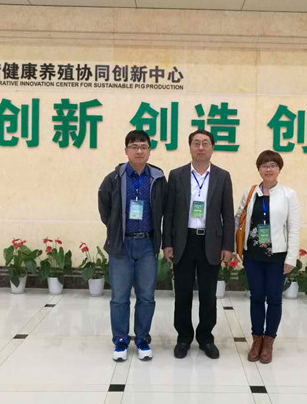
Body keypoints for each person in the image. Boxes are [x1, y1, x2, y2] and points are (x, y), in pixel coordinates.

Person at [163, 129, 234, 360]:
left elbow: (227, 214)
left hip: (211, 242)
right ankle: (183, 338)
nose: (201, 147)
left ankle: (205, 338)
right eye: (196, 143)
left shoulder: (223, 176)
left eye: (205, 143)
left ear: (212, 147)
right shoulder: (177, 175)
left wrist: (227, 246)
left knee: (208, 294)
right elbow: (169, 212)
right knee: (182, 293)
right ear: (190, 147)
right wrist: (167, 242)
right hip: (183, 241)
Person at [98, 130, 167, 362]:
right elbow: (104, 208)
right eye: (134, 146)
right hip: (122, 245)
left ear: (149, 150)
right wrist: (116, 228)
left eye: (143, 147)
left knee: (146, 296)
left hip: (147, 244)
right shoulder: (114, 178)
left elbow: (165, 208)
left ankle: (142, 339)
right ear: (126, 150)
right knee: (119, 297)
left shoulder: (157, 178)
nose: (139, 151)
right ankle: (120, 339)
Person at [234, 150, 300, 364]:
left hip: (277, 256)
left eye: (273, 165)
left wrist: (291, 258)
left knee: (274, 298)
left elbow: (294, 228)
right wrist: (234, 247)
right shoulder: (250, 192)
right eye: (264, 165)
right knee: (256, 297)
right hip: (253, 254)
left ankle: (269, 341)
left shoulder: (289, 194)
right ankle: (256, 340)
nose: (268, 169)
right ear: (259, 169)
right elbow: (238, 219)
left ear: (279, 169)